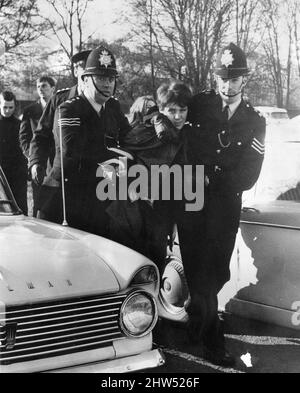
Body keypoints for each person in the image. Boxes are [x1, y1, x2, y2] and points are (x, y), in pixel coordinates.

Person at [182, 42, 266, 367]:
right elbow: (183, 144)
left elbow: (249, 174)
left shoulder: (255, 120)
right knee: (199, 271)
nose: (227, 85)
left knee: (216, 272)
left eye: (234, 79)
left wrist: (213, 177)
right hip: (192, 202)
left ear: (244, 80)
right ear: (216, 77)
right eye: (222, 78)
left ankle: (195, 322)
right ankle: (213, 342)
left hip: (223, 208)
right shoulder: (199, 105)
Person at [39, 45, 130, 237]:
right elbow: (72, 153)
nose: (107, 84)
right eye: (101, 78)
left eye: (111, 79)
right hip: (63, 202)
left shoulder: (112, 108)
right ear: (85, 80)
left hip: (98, 199)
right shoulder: (68, 109)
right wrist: (118, 160)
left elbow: (129, 139)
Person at [108, 81, 193, 275]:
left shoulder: (183, 136)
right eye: (172, 110)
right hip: (132, 214)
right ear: (161, 110)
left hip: (159, 215)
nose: (178, 116)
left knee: (154, 270)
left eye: (183, 110)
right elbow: (120, 157)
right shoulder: (146, 132)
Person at [29, 49, 91, 186]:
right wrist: (36, 162)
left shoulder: (107, 103)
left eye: (93, 72)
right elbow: (41, 135)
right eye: (85, 70)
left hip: (92, 179)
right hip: (59, 179)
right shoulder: (59, 100)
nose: (89, 76)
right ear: (76, 71)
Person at [19, 75, 56, 216]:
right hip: (39, 164)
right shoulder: (30, 110)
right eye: (38, 86)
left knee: (55, 200)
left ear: (53, 88)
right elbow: (23, 138)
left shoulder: (60, 107)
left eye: (44, 86)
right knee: (38, 201)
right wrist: (33, 158)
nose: (40, 89)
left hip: (56, 163)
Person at [0, 91, 28, 214]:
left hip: (16, 172)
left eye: (11, 107)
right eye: (4, 107)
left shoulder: (20, 124)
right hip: (1, 173)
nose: (7, 111)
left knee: (19, 206)